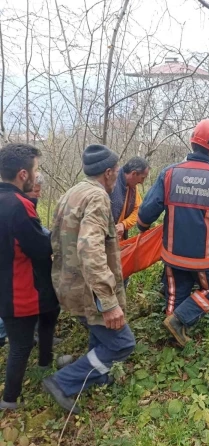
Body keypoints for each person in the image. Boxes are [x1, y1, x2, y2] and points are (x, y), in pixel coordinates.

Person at [43, 144, 136, 414]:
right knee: (122, 343)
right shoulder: (97, 198)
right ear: (108, 173)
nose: (117, 176)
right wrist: (108, 301)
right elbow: (89, 248)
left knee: (102, 335)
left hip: (68, 283)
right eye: (117, 171)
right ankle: (64, 381)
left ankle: (91, 373)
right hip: (88, 290)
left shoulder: (72, 192)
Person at [137, 119, 209, 347]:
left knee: (176, 291)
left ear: (191, 142)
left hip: (172, 253)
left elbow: (148, 209)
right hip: (204, 257)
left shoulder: (169, 173)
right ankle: (178, 321)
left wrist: (142, 226)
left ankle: (174, 327)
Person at [0, 143, 59, 410]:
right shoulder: (19, 205)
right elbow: (39, 247)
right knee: (21, 346)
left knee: (19, 342)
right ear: (23, 174)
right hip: (20, 289)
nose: (37, 176)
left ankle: (43, 366)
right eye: (36, 170)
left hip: (5, 286)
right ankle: (10, 401)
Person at [109, 156, 149, 240]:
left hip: (119, 241)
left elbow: (138, 210)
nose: (142, 182)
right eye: (142, 178)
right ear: (134, 173)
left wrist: (123, 224)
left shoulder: (133, 188)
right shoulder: (110, 182)